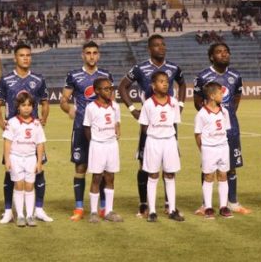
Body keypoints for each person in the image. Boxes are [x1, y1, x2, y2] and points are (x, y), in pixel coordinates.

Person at [118, 34, 186, 218]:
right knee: (144, 163)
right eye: (156, 45)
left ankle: (168, 205)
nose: (161, 48)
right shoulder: (140, 68)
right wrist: (133, 109)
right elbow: (122, 86)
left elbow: (182, 83)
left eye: (163, 44)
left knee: (169, 165)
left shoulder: (173, 68)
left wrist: (180, 105)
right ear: (150, 48)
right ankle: (144, 204)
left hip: (168, 123)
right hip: (149, 123)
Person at [0, 43, 52, 224]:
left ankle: (39, 210)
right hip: (14, 133)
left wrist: (44, 118)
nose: (26, 58)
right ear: (15, 58)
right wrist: (0, 122)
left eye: (28, 55)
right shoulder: (5, 80)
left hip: (32, 134)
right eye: (22, 55)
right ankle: (8, 211)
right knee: (10, 171)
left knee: (39, 171)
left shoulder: (38, 79)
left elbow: (45, 101)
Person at [193, 43, 251, 215]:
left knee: (231, 166)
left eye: (226, 51)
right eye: (219, 52)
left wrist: (226, 115)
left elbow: (237, 99)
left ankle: (232, 202)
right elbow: (197, 100)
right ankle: (206, 205)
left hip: (230, 127)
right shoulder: (203, 76)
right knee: (208, 168)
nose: (224, 54)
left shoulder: (235, 76)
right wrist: (211, 116)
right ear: (212, 56)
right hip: (210, 130)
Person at [60, 42, 113, 221]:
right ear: (83, 55)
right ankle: (79, 208)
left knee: (105, 169)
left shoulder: (105, 75)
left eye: (94, 53)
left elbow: (111, 101)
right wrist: (69, 109)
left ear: (99, 55)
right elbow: (64, 100)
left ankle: (104, 208)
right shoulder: (73, 75)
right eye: (88, 53)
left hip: (102, 130)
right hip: (81, 127)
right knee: (80, 166)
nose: (91, 56)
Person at [139, 71, 183, 222]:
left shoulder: (174, 102)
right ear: (153, 85)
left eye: (166, 81)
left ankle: (172, 209)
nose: (165, 84)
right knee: (153, 175)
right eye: (161, 81)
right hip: (153, 141)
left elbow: (175, 123)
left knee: (170, 175)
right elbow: (144, 126)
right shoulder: (148, 104)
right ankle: (152, 211)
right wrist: (155, 134)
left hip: (169, 141)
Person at [3, 92, 47, 228]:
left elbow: (40, 144)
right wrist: (7, 160)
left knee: (29, 186)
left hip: (30, 159)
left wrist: (39, 162)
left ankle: (29, 215)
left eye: (29, 105)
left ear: (33, 107)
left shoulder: (36, 124)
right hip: (16, 158)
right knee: (18, 185)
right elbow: (7, 142)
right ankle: (20, 215)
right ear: (18, 107)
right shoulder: (12, 122)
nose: (26, 108)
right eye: (23, 105)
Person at [83, 77, 123, 223]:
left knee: (110, 177)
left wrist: (117, 130)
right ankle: (93, 212)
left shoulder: (115, 106)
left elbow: (117, 122)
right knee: (96, 178)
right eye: (106, 89)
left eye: (110, 88)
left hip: (112, 145)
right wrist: (94, 142)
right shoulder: (91, 108)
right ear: (97, 91)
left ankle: (109, 211)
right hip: (98, 145)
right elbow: (86, 127)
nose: (110, 91)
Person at [194, 81, 233, 219]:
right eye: (220, 93)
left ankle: (223, 206)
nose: (222, 95)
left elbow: (226, 130)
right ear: (211, 96)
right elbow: (197, 134)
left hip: (223, 147)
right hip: (209, 149)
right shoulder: (202, 114)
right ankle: (208, 207)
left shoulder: (225, 112)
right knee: (209, 177)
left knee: (223, 175)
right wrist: (203, 149)